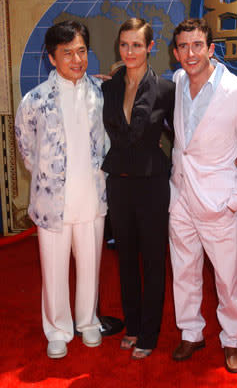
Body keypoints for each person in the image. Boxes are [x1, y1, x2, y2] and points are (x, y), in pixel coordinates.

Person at [169, 18, 237, 373]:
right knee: (184, 271)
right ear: (176, 51)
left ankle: (232, 339)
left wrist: (233, 202)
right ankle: (192, 332)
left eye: (197, 45)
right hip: (180, 197)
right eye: (183, 46)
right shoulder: (177, 81)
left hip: (219, 204)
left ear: (211, 49)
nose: (190, 53)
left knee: (227, 278)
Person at [15, 20, 109, 359]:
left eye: (82, 51)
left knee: (91, 266)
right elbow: (26, 147)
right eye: (67, 53)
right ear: (52, 58)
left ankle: (88, 321)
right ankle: (56, 328)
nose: (77, 59)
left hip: (92, 199)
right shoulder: (35, 100)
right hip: (52, 203)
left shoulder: (98, 93)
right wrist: (47, 178)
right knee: (53, 271)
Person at [101, 18, 175, 359]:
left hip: (152, 185)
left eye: (137, 45)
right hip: (119, 184)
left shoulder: (165, 90)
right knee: (126, 259)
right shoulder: (109, 88)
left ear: (150, 47)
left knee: (153, 262)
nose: (130, 51)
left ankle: (149, 332)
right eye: (124, 44)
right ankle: (131, 326)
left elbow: (181, 137)